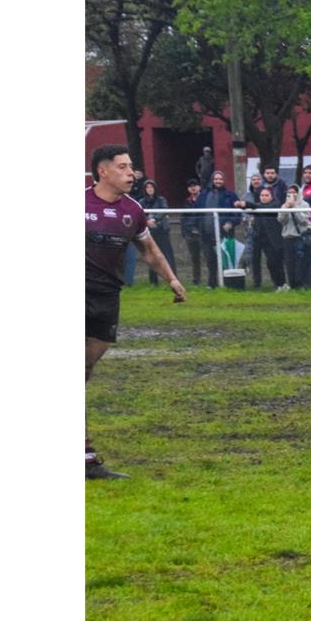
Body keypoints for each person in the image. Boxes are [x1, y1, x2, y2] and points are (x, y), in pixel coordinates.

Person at [86, 144, 188, 479]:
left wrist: (172, 278)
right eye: (123, 167)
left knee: (85, 367)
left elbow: (149, 249)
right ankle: (85, 456)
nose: (132, 173)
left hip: (106, 296)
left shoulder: (133, 210)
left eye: (132, 167)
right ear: (102, 171)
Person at [236, 186, 287, 290]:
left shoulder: (276, 204)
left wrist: (247, 204)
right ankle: (276, 285)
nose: (264, 197)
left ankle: (282, 284)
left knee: (275, 263)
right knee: (268, 264)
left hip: (274, 240)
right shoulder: (257, 206)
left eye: (266, 195)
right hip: (260, 238)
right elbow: (253, 209)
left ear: (272, 196)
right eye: (262, 195)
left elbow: (262, 209)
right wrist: (241, 205)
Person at [197, 170, 240, 288]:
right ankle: (212, 283)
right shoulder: (203, 195)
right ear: (212, 180)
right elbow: (196, 213)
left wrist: (231, 223)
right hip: (206, 234)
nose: (218, 181)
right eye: (216, 179)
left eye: (220, 179)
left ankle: (227, 284)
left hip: (224, 234)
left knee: (225, 261)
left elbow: (238, 215)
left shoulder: (230, 195)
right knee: (210, 261)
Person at [137, 180, 176, 287]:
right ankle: (153, 282)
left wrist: (155, 219)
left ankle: (174, 279)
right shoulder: (141, 201)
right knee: (152, 256)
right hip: (149, 232)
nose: (150, 189)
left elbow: (164, 210)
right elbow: (140, 214)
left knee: (168, 255)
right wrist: (147, 222)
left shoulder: (161, 200)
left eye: (151, 187)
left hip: (162, 231)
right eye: (147, 187)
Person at [278, 185, 311, 289]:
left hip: (300, 237)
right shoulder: (284, 205)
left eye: (294, 192)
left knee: (301, 262)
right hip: (287, 237)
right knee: (289, 263)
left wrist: (295, 208)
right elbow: (281, 221)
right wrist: (286, 209)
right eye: (289, 193)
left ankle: (303, 284)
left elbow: (304, 220)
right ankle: (293, 285)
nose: (292, 195)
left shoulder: (305, 204)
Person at [180, 179, 205, 285]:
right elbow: (183, 218)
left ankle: (213, 280)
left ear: (199, 187)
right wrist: (185, 233)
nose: (193, 188)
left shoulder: (204, 199)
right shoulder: (187, 202)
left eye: (195, 185)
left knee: (209, 257)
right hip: (191, 234)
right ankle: (196, 280)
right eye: (190, 186)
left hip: (204, 233)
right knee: (195, 259)